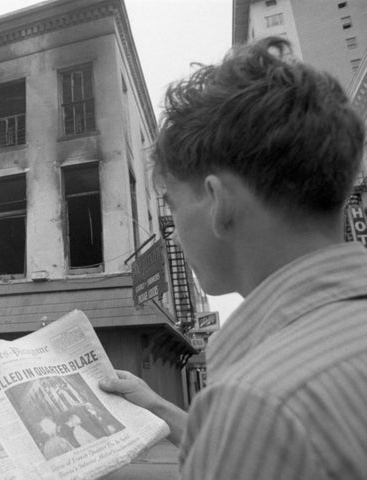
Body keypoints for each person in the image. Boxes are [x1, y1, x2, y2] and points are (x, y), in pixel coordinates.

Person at [100, 36, 367, 479]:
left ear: (218, 202)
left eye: (171, 203)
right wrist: (158, 405)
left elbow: (253, 428)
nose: (175, 229)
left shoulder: (258, 404)